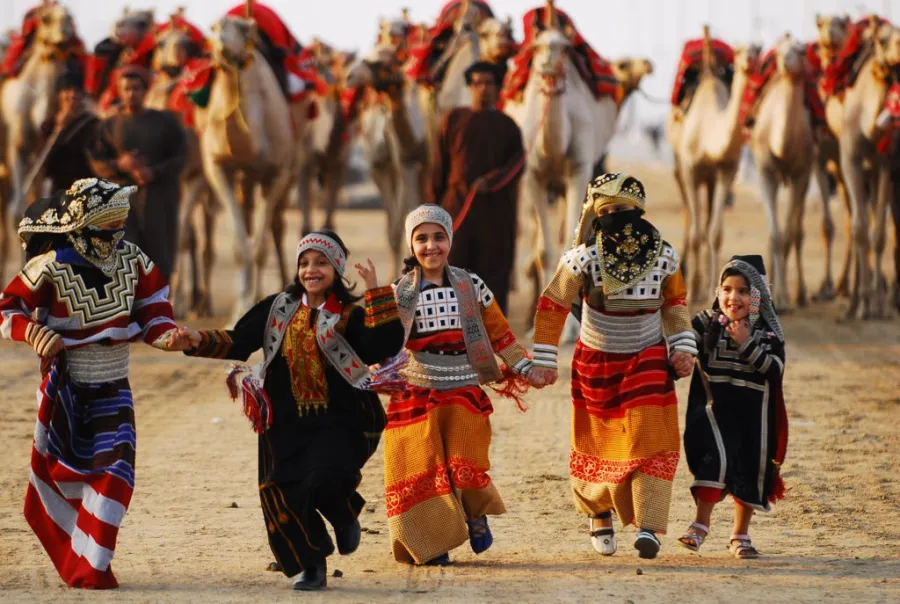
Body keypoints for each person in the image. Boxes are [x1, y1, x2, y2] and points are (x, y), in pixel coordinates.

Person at [176, 230, 404, 591]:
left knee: (327, 478)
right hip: (283, 421)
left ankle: (344, 514)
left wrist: (377, 291)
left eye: (321, 263)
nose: (311, 270)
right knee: (282, 492)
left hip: (339, 419)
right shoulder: (276, 307)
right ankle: (310, 565)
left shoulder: (348, 315)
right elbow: (240, 340)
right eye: (304, 263)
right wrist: (197, 340)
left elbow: (382, 345)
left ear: (337, 269)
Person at [0, 178, 190, 589]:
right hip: (64, 386)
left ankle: (93, 564)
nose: (117, 232)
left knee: (117, 470)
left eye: (120, 225)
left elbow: (153, 308)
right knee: (64, 469)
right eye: (108, 225)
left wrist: (166, 335)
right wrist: (34, 334)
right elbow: (7, 309)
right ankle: (77, 551)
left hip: (115, 385)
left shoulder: (135, 260)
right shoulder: (50, 265)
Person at [529, 173, 697, 559]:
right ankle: (599, 513)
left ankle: (650, 526)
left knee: (652, 438)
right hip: (596, 361)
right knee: (598, 440)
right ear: (596, 214)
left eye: (624, 210)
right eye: (609, 211)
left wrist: (682, 347)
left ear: (638, 210)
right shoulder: (582, 258)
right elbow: (553, 305)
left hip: (647, 356)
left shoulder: (666, 255)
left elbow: (674, 305)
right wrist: (544, 359)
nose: (618, 218)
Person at [384, 204, 536, 566]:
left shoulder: (472, 285)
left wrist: (527, 368)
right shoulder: (398, 292)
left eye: (438, 237)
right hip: (415, 389)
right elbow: (380, 342)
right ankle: (432, 544)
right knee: (420, 467)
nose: (430, 246)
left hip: (463, 387)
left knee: (465, 462)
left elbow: (500, 334)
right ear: (411, 245)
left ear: (450, 241)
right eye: (421, 239)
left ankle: (474, 514)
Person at [679, 255, 788, 559]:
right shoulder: (706, 323)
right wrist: (679, 358)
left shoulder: (768, 334)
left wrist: (746, 343)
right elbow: (684, 343)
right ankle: (700, 525)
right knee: (714, 460)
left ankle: (740, 535)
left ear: (758, 297)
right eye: (727, 288)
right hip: (713, 414)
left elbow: (775, 370)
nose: (733, 297)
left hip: (754, 420)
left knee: (749, 471)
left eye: (743, 291)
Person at [430, 62, 524, 314]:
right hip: (456, 207)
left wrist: (491, 181)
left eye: (489, 83)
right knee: (452, 270)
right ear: (470, 87)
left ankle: (494, 338)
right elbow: (439, 167)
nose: (484, 88)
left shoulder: (508, 126)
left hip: (495, 213)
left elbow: (517, 165)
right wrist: (432, 211)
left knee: (493, 273)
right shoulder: (453, 119)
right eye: (478, 83)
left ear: (498, 87)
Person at [88, 66, 187, 284]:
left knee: (160, 258)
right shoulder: (109, 125)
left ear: (145, 91)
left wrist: (153, 172)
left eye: (136, 88)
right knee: (124, 257)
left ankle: (159, 310)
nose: (131, 94)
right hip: (122, 203)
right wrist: (119, 164)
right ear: (120, 92)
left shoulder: (165, 122)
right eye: (126, 89)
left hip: (159, 200)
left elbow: (180, 157)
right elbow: (96, 159)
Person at [37, 71, 100, 193]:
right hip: (58, 190)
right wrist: (58, 129)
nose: (72, 95)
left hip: (86, 189)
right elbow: (43, 162)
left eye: (76, 91)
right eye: (67, 91)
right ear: (59, 95)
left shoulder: (93, 124)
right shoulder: (48, 125)